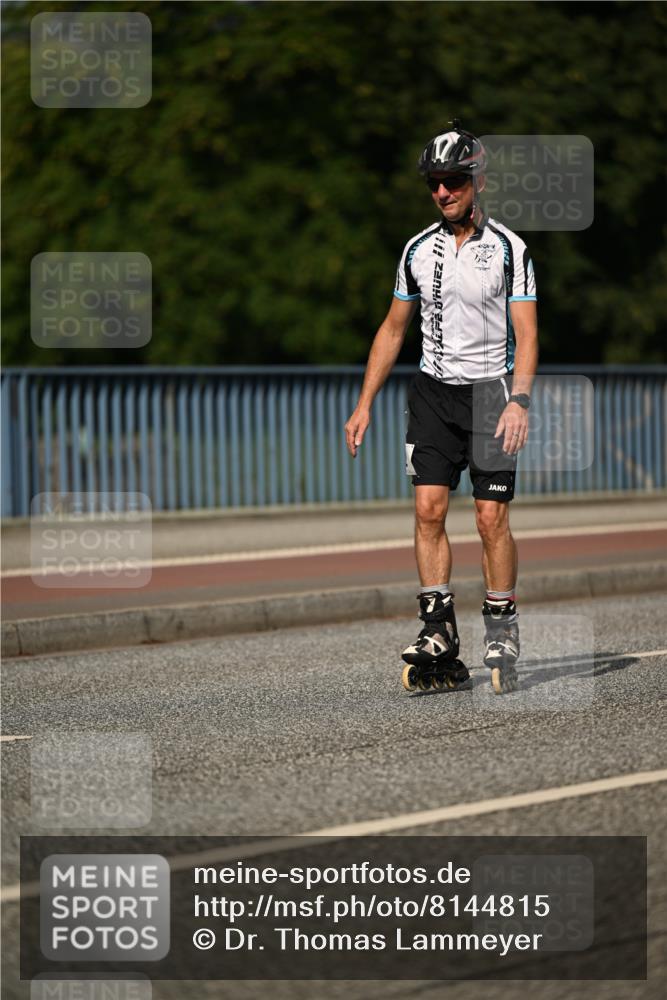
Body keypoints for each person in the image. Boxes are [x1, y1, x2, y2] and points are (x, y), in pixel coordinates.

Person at [344, 121, 538, 694]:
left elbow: (527, 334)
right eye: (433, 183)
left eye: (453, 181)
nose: (442, 192)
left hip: (491, 395)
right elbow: (392, 329)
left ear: (478, 181)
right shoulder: (415, 249)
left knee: (489, 517)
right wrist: (363, 403)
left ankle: (501, 625)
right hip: (432, 394)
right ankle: (438, 630)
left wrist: (519, 400)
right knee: (428, 510)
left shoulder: (509, 249)